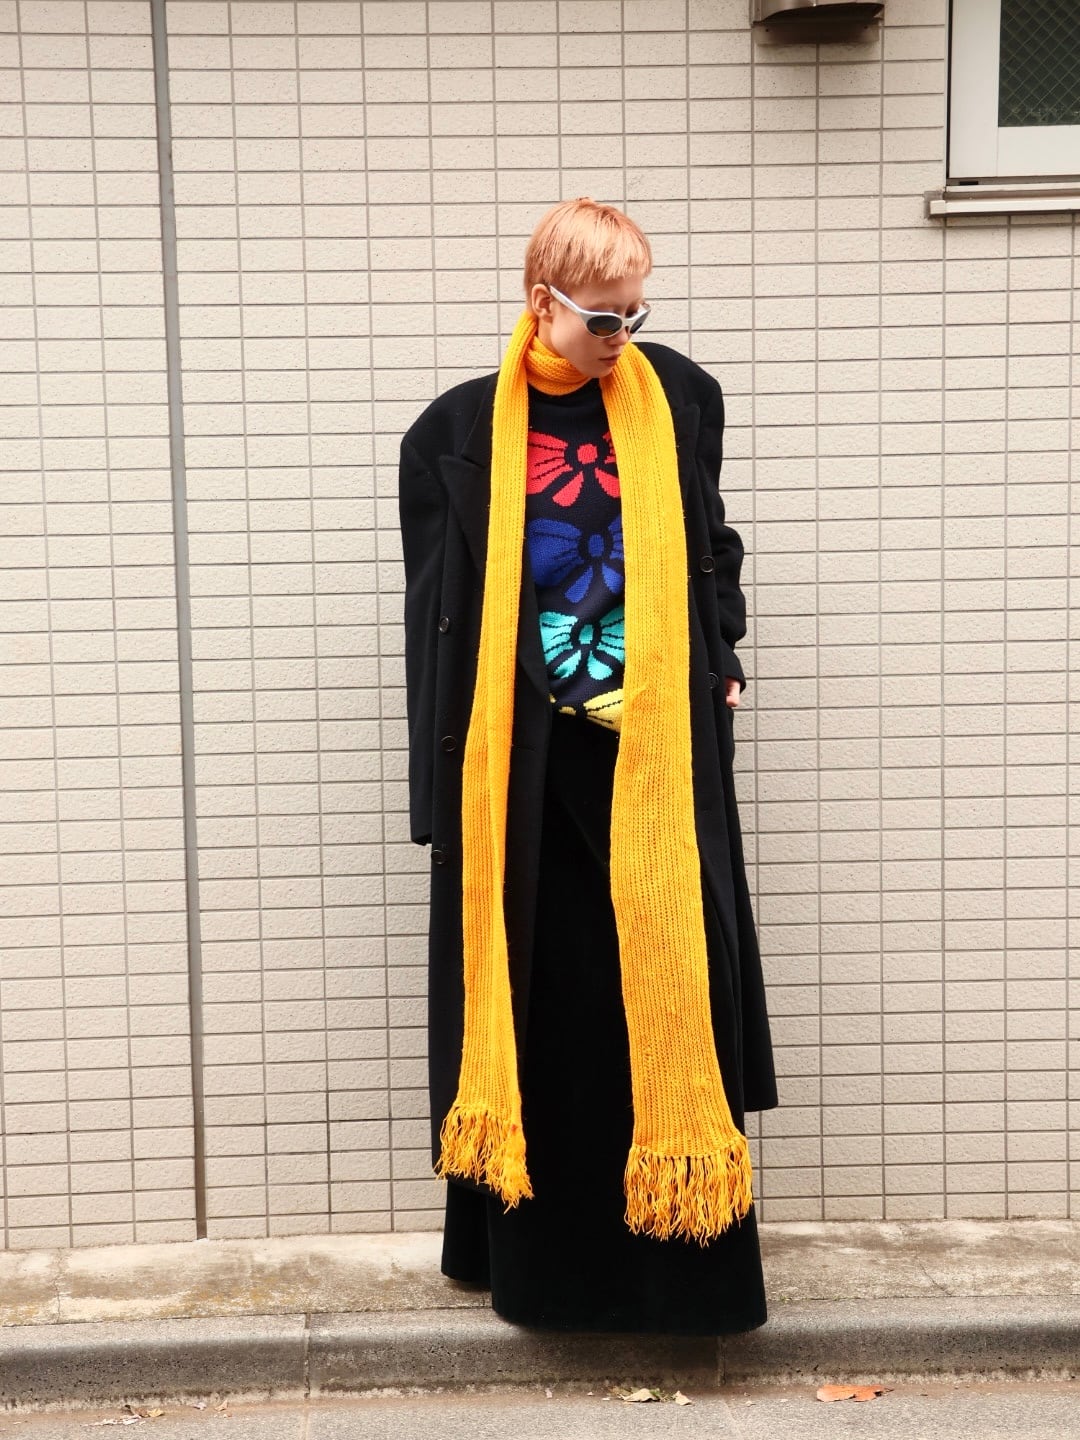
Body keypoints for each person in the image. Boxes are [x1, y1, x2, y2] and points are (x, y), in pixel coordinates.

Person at [398, 198, 777, 1335]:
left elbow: (710, 544)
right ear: (542, 302)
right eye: (603, 318)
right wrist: (438, 793)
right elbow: (437, 622)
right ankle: (548, 1277)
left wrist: (722, 652)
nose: (623, 337)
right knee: (547, 1004)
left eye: (635, 314)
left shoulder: (680, 400)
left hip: (655, 753)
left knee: (666, 987)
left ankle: (682, 1279)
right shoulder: (457, 432)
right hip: (526, 764)